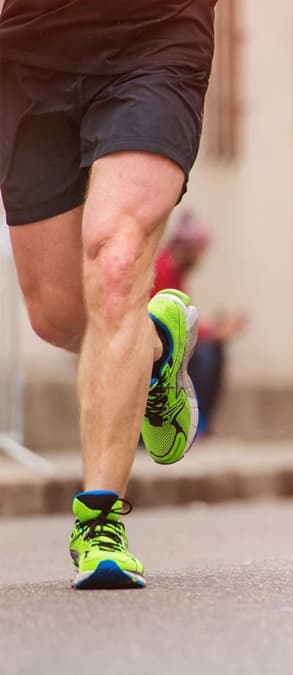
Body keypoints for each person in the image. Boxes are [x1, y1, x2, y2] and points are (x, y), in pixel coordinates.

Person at [0, 1, 214, 588]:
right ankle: (156, 348)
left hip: (154, 40)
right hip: (29, 49)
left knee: (117, 265)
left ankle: (99, 521)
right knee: (58, 315)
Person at [151, 212, 246, 438]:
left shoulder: (177, 273)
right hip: (160, 345)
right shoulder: (163, 270)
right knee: (205, 356)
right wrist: (214, 331)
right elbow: (171, 321)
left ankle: (201, 423)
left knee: (214, 350)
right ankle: (191, 422)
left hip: (170, 341)